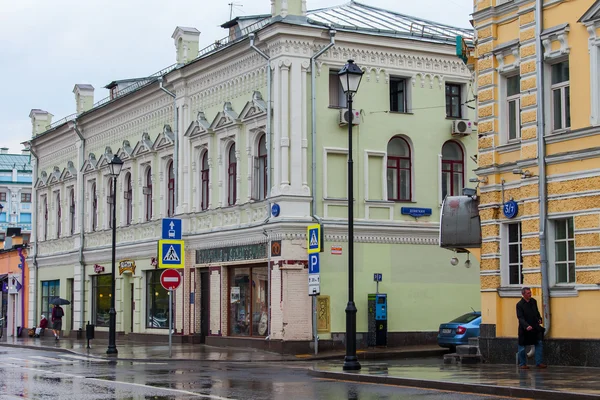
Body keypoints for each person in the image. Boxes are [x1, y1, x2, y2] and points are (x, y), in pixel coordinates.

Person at [516, 287, 547, 369]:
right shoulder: (519, 305)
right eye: (528, 293)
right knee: (522, 346)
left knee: (539, 343)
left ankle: (539, 362)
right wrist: (526, 326)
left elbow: (536, 312)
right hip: (525, 329)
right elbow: (520, 317)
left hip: (534, 327)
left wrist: (539, 319)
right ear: (523, 294)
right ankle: (523, 363)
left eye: (530, 293)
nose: (530, 294)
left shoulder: (533, 301)